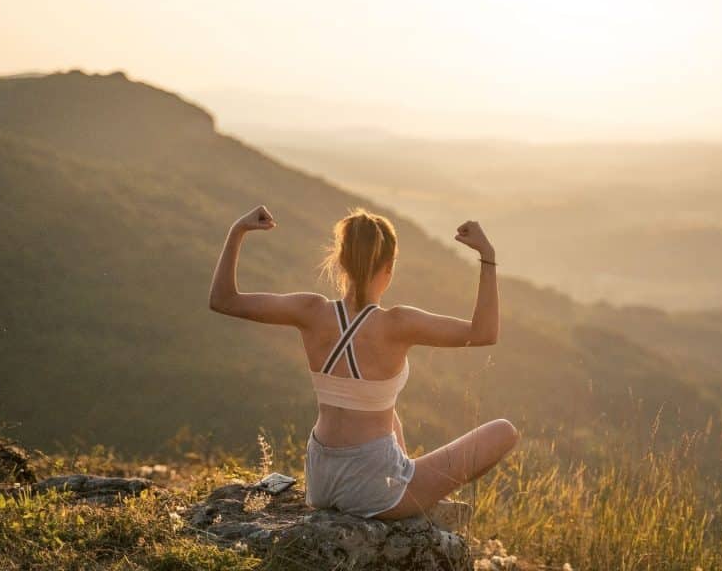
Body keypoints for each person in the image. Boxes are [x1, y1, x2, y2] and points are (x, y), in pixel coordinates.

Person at [209, 205, 520, 520]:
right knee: (503, 431)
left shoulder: (310, 311)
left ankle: (401, 479)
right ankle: (408, 496)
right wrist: (487, 255)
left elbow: (223, 299)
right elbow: (484, 332)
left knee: (387, 411)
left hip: (321, 481)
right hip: (374, 489)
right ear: (389, 267)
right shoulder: (398, 323)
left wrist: (238, 230)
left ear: (341, 261)